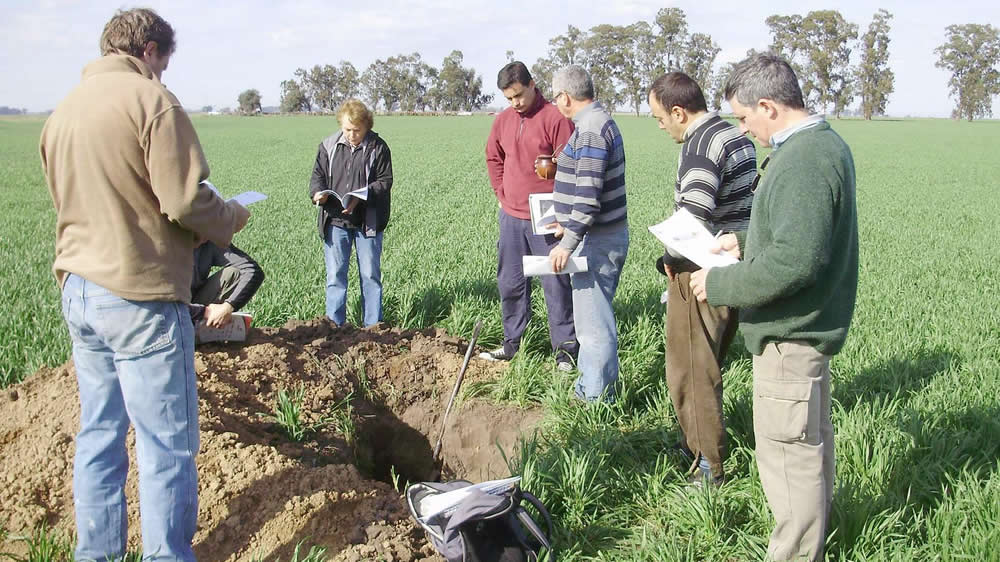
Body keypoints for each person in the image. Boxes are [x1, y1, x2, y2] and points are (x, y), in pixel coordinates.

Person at [38, 8, 250, 561]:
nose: (162, 74)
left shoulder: (63, 111)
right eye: (163, 63)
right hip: (140, 295)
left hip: (80, 289)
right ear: (150, 50)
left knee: (100, 436)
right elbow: (182, 200)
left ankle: (98, 554)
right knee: (167, 445)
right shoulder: (151, 101)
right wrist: (227, 217)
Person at [690, 53, 858, 561]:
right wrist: (741, 239)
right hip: (804, 332)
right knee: (807, 453)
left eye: (743, 118)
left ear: (768, 106)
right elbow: (796, 236)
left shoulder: (805, 159)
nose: (744, 131)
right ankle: (814, 541)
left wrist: (720, 284)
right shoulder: (817, 146)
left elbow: (796, 262)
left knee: (789, 464)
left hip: (791, 336)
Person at [647, 72, 757, 487]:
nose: (661, 127)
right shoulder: (736, 136)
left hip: (702, 270)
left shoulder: (700, 144)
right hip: (737, 266)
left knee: (691, 369)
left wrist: (668, 258)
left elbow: (693, 212)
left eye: (660, 119)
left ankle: (706, 463)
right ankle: (698, 444)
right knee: (708, 363)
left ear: (679, 112)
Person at [482, 61, 578, 369]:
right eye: (509, 98)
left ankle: (565, 352)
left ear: (532, 84)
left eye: (519, 96)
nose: (515, 103)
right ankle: (512, 344)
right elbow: (493, 156)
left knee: (555, 283)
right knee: (510, 282)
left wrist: (563, 210)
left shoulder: (555, 118)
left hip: (546, 216)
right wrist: (500, 192)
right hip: (511, 216)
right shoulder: (503, 120)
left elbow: (571, 166)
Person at [548, 64, 629, 402]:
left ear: (565, 97)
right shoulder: (593, 123)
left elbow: (588, 196)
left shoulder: (592, 129)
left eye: (555, 98)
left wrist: (568, 242)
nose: (555, 104)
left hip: (596, 241)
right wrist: (566, 223)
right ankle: (592, 387)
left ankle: (595, 398)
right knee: (591, 319)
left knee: (593, 325)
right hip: (594, 236)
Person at [310, 99, 393, 327]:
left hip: (368, 222)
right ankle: (335, 327)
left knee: (370, 276)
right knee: (335, 278)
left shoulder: (378, 147)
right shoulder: (328, 145)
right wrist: (317, 193)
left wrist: (361, 195)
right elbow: (317, 176)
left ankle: (373, 327)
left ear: (367, 126)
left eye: (357, 130)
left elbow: (385, 181)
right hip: (336, 222)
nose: (352, 135)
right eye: (347, 130)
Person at [191, 241, 265, 329]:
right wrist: (205, 312)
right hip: (173, 311)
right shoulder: (171, 244)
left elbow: (252, 269)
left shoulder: (208, 240)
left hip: (193, 303)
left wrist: (228, 306)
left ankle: (203, 328)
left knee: (234, 273)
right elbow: (170, 302)